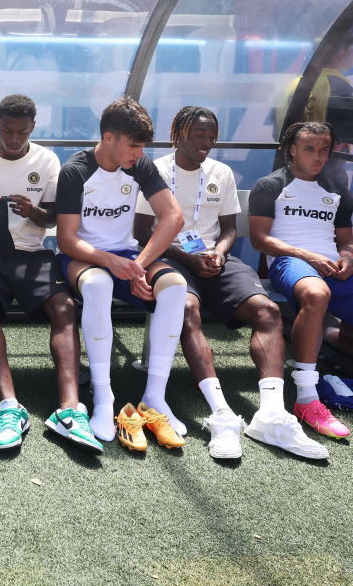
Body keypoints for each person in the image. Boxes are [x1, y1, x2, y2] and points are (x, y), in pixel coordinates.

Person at [135, 107, 327, 459]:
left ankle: (270, 414)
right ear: (178, 134)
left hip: (213, 259)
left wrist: (220, 253)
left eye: (212, 137)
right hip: (170, 257)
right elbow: (140, 231)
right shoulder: (156, 171)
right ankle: (222, 414)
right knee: (187, 307)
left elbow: (228, 228)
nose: (206, 143)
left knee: (266, 310)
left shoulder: (220, 172)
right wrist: (188, 257)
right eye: (198, 136)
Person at [0, 94, 100, 452]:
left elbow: (52, 218)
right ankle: (9, 406)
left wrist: (33, 211)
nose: (14, 138)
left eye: (22, 132)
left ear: (33, 127)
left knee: (65, 306)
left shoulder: (47, 159)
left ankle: (70, 410)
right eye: (8, 130)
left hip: (35, 254)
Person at [54, 97, 188, 450]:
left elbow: (173, 218)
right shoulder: (75, 170)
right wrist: (109, 262)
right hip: (83, 257)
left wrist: (138, 265)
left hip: (127, 256)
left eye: (143, 146)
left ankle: (154, 398)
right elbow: (66, 240)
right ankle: (103, 397)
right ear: (109, 138)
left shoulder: (139, 166)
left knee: (175, 286)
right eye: (133, 145)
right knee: (98, 283)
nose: (139, 153)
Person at [248, 121, 353, 452]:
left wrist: (347, 258)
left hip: (333, 265)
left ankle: (337, 378)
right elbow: (259, 239)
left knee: (327, 289)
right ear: (291, 149)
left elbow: (347, 241)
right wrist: (307, 255)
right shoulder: (271, 185)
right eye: (309, 148)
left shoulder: (337, 187)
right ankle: (307, 397)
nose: (318, 156)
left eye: (324, 150)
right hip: (292, 263)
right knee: (316, 293)